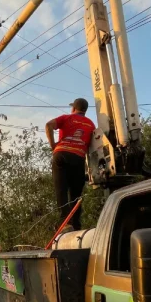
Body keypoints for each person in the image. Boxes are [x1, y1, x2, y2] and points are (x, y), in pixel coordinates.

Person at [45, 98, 96, 231]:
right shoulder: (91, 124)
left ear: (74, 108)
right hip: (78, 158)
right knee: (76, 195)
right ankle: (76, 225)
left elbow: (48, 125)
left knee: (61, 190)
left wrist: (53, 146)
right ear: (85, 110)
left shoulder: (66, 118)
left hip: (61, 155)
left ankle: (65, 223)